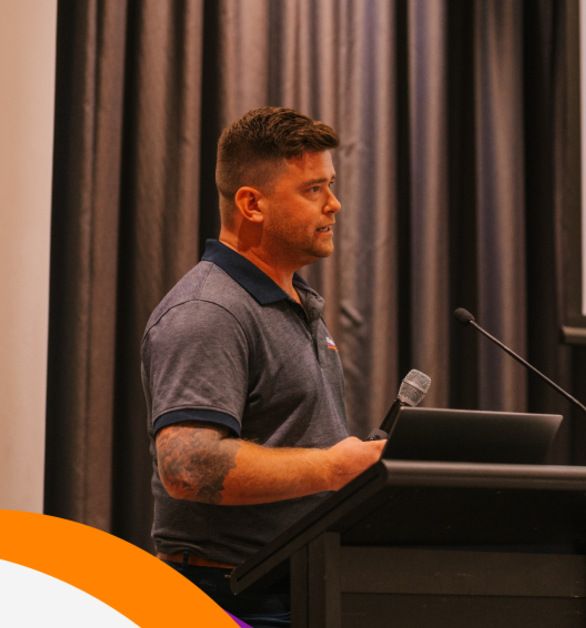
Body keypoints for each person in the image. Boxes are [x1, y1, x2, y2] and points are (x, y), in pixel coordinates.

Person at [140, 106, 385, 627]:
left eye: (330, 185)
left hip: (303, 588)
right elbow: (188, 467)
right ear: (252, 204)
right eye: (313, 190)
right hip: (229, 599)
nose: (335, 204)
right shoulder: (208, 311)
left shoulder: (295, 301)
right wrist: (336, 468)